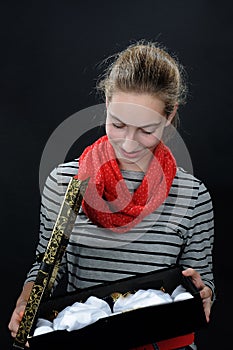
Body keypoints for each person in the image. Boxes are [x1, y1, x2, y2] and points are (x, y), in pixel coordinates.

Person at [8, 40, 215, 350]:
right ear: (106, 102)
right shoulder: (66, 182)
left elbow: (203, 278)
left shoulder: (193, 195)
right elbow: (47, 266)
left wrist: (203, 292)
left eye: (147, 129)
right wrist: (28, 301)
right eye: (118, 124)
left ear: (169, 115)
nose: (129, 143)